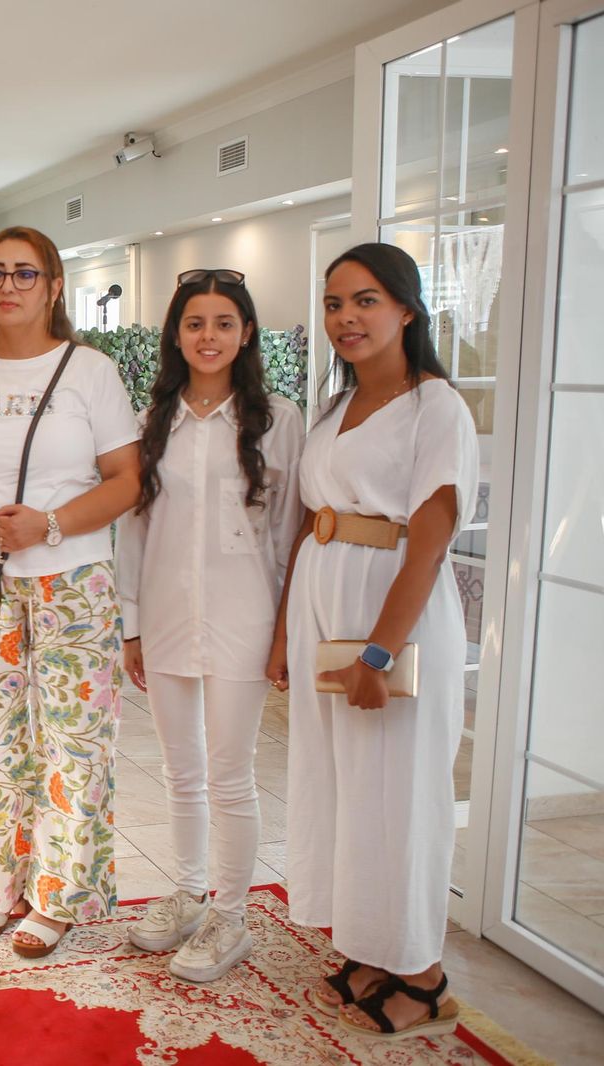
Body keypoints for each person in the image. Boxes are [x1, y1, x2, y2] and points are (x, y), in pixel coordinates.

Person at [0, 225, 140, 959]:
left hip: (72, 580)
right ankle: (2, 883)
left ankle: (60, 896)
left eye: (25, 274)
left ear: (52, 286)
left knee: (74, 744)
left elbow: (127, 481)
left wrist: (50, 523)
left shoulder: (89, 372)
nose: (8, 286)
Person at [270, 243, 477, 1041]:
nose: (345, 318)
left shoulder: (437, 408)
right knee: (344, 783)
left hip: (391, 612)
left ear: (406, 309)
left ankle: (422, 974)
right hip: (327, 601)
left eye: (364, 301)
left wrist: (380, 653)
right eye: (332, 303)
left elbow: (428, 539)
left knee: (399, 790)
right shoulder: (335, 406)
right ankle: (370, 945)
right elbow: (306, 527)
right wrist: (290, 629)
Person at [116, 270, 303, 981]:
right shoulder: (150, 422)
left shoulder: (277, 421)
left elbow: (290, 536)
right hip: (164, 616)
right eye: (195, 323)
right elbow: (133, 532)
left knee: (230, 775)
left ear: (247, 332)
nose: (209, 336)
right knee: (181, 771)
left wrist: (284, 631)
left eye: (225, 322)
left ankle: (232, 915)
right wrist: (130, 625)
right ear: (176, 334)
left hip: (244, 620)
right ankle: (189, 892)